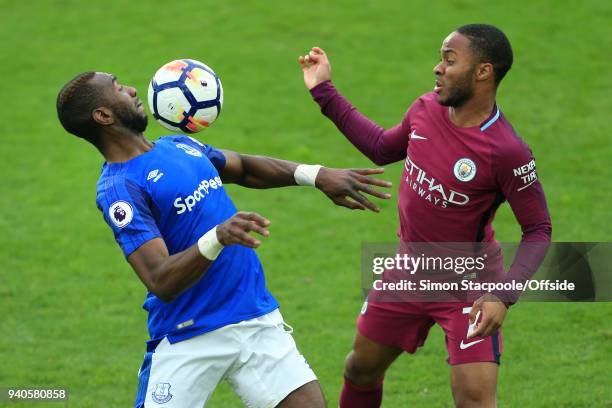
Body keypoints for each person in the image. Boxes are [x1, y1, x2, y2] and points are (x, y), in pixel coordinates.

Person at [56, 71, 393, 408]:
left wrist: (316, 175)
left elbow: (243, 168)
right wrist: (216, 237)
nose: (131, 88)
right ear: (103, 115)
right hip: (189, 334)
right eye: (118, 87)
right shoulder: (120, 189)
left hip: (254, 316)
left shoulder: (179, 144)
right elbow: (160, 278)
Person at [299, 24, 552, 407]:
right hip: (408, 271)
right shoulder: (425, 109)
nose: (438, 68)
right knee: (360, 369)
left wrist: (503, 294)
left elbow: (538, 229)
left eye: (450, 60)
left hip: (470, 287)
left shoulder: (506, 151)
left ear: (483, 71)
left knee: (474, 401)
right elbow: (381, 147)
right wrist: (323, 90)